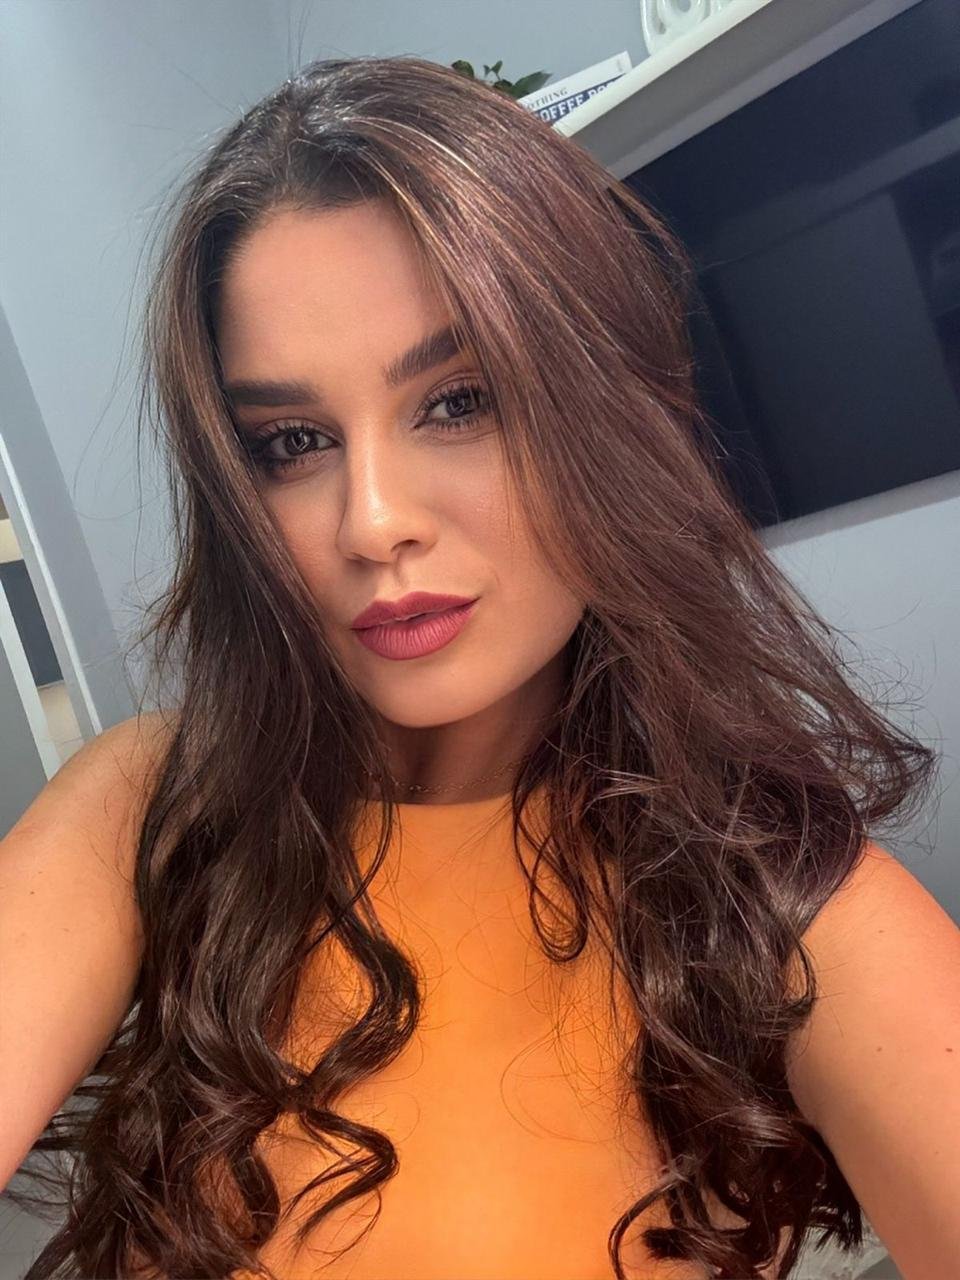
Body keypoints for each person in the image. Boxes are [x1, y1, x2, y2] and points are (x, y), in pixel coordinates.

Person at [1, 53, 958, 1280]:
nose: (373, 522)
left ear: (607, 413)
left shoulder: (782, 905)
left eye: (459, 401)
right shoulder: (156, 805)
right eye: (292, 441)